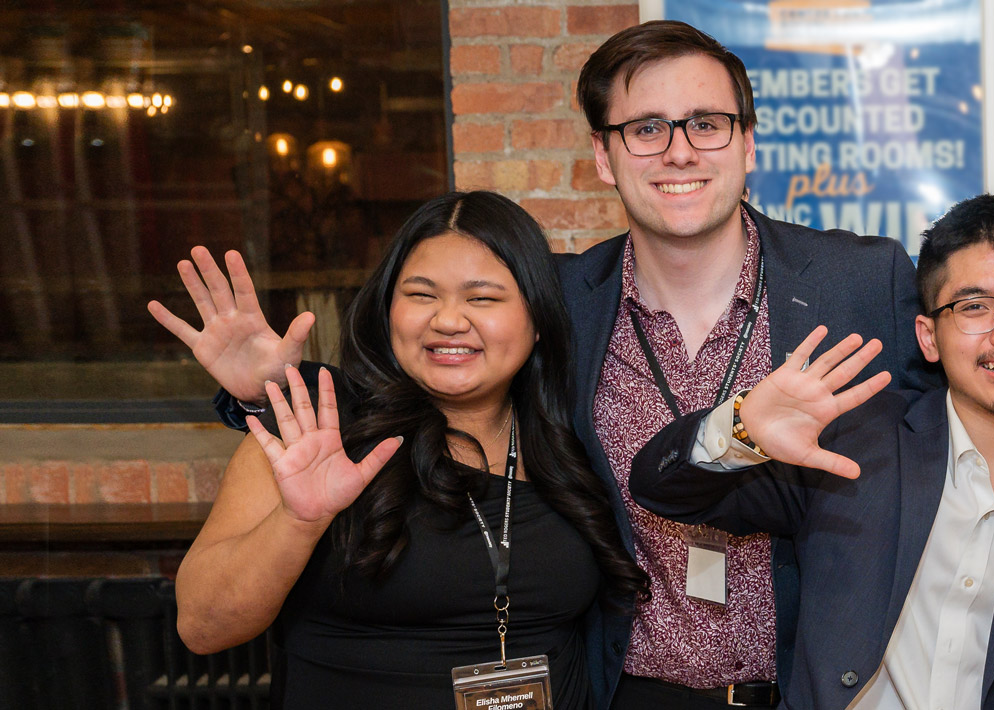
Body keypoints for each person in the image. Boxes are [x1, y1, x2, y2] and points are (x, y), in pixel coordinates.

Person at [150, 21, 935, 708]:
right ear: (603, 154)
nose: (679, 150)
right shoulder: (558, 302)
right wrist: (262, 396)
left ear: (748, 140)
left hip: (820, 688)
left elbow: (948, 447)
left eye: (707, 123)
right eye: (646, 127)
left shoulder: (862, 282)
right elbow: (416, 384)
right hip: (624, 689)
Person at [625, 195, 994, 709]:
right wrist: (741, 425)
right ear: (928, 337)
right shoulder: (855, 446)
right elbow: (662, 489)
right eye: (974, 308)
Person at [172, 192, 648, 709]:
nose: (448, 320)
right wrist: (298, 520)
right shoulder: (321, 431)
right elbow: (203, 627)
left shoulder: (576, 436)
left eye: (483, 298)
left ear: (536, 320)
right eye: (421, 295)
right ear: (388, 310)